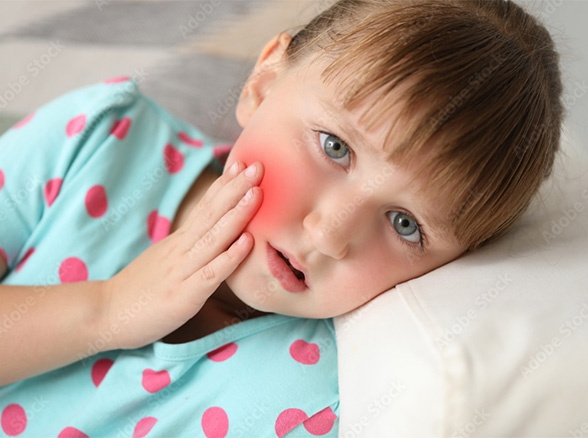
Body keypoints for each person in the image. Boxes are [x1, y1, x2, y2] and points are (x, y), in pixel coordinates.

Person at [0, 0, 563, 436]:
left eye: (405, 224)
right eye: (335, 147)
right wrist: (108, 309)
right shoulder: (97, 144)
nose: (329, 233)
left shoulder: (315, 399)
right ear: (264, 82)